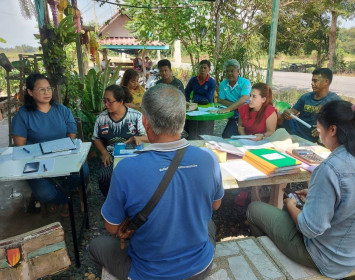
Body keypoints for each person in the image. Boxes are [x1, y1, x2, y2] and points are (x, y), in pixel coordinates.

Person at [89, 84, 224, 280]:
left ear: (145, 122)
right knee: (209, 224)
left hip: (150, 274)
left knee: (96, 246)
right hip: (200, 268)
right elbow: (216, 204)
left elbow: (111, 227)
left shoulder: (126, 169)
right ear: (183, 119)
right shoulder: (208, 157)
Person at [246, 100, 355, 279]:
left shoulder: (331, 168)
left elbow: (309, 228)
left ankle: (278, 259)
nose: (318, 135)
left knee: (254, 209)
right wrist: (315, 195)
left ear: (332, 130)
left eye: (319, 129)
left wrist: (290, 204)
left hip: (329, 258)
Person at [11, 73, 89, 217]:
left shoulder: (62, 110)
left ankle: (63, 200)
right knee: (45, 194)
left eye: (48, 88)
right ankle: (65, 200)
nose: (47, 92)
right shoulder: (23, 115)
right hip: (38, 162)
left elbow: (72, 134)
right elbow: (20, 145)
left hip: (64, 156)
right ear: (30, 92)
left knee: (82, 171)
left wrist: (62, 150)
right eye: (41, 89)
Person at [92, 84, 148, 197]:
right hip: (111, 155)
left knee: (139, 175)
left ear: (121, 101)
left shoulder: (136, 116)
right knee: (104, 176)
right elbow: (96, 138)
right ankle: (111, 201)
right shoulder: (101, 118)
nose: (106, 104)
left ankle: (135, 200)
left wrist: (138, 138)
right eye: (104, 100)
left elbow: (148, 137)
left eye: (110, 101)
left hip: (133, 155)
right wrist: (104, 152)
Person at [278, 68, 341, 142]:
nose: (312, 83)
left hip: (312, 138)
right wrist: (287, 112)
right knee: (278, 115)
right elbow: (292, 111)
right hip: (295, 131)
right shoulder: (305, 97)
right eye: (312, 80)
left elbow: (342, 121)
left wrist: (325, 129)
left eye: (315, 81)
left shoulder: (334, 100)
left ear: (326, 82)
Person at [217, 59, 252, 138]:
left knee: (246, 137)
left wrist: (229, 108)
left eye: (232, 71)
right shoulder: (223, 84)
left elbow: (244, 99)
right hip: (234, 117)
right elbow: (221, 101)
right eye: (227, 71)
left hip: (247, 116)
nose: (229, 73)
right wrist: (238, 105)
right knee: (226, 136)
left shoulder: (245, 82)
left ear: (238, 71)